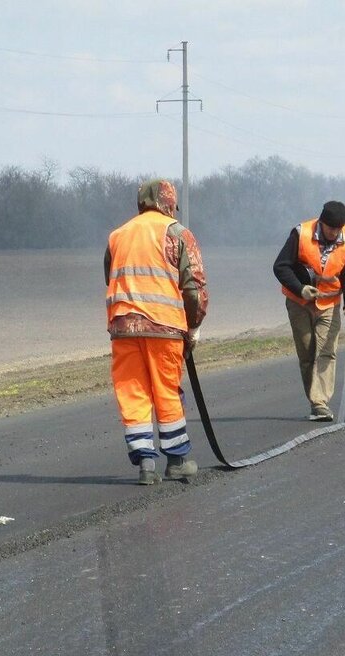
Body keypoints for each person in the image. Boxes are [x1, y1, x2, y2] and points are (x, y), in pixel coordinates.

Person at [103, 179, 208, 485]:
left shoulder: (117, 235)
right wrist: (195, 324)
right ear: (169, 204)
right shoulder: (177, 233)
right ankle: (176, 461)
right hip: (165, 327)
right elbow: (194, 288)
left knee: (132, 392)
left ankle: (145, 465)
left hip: (123, 326)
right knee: (166, 390)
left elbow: (109, 278)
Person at [273, 200, 345, 422]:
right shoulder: (300, 234)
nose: (334, 233)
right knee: (307, 351)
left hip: (329, 305)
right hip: (299, 302)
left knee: (326, 351)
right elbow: (280, 266)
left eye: (338, 229)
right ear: (321, 223)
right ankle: (315, 399)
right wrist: (300, 289)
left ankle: (319, 403)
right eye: (330, 228)